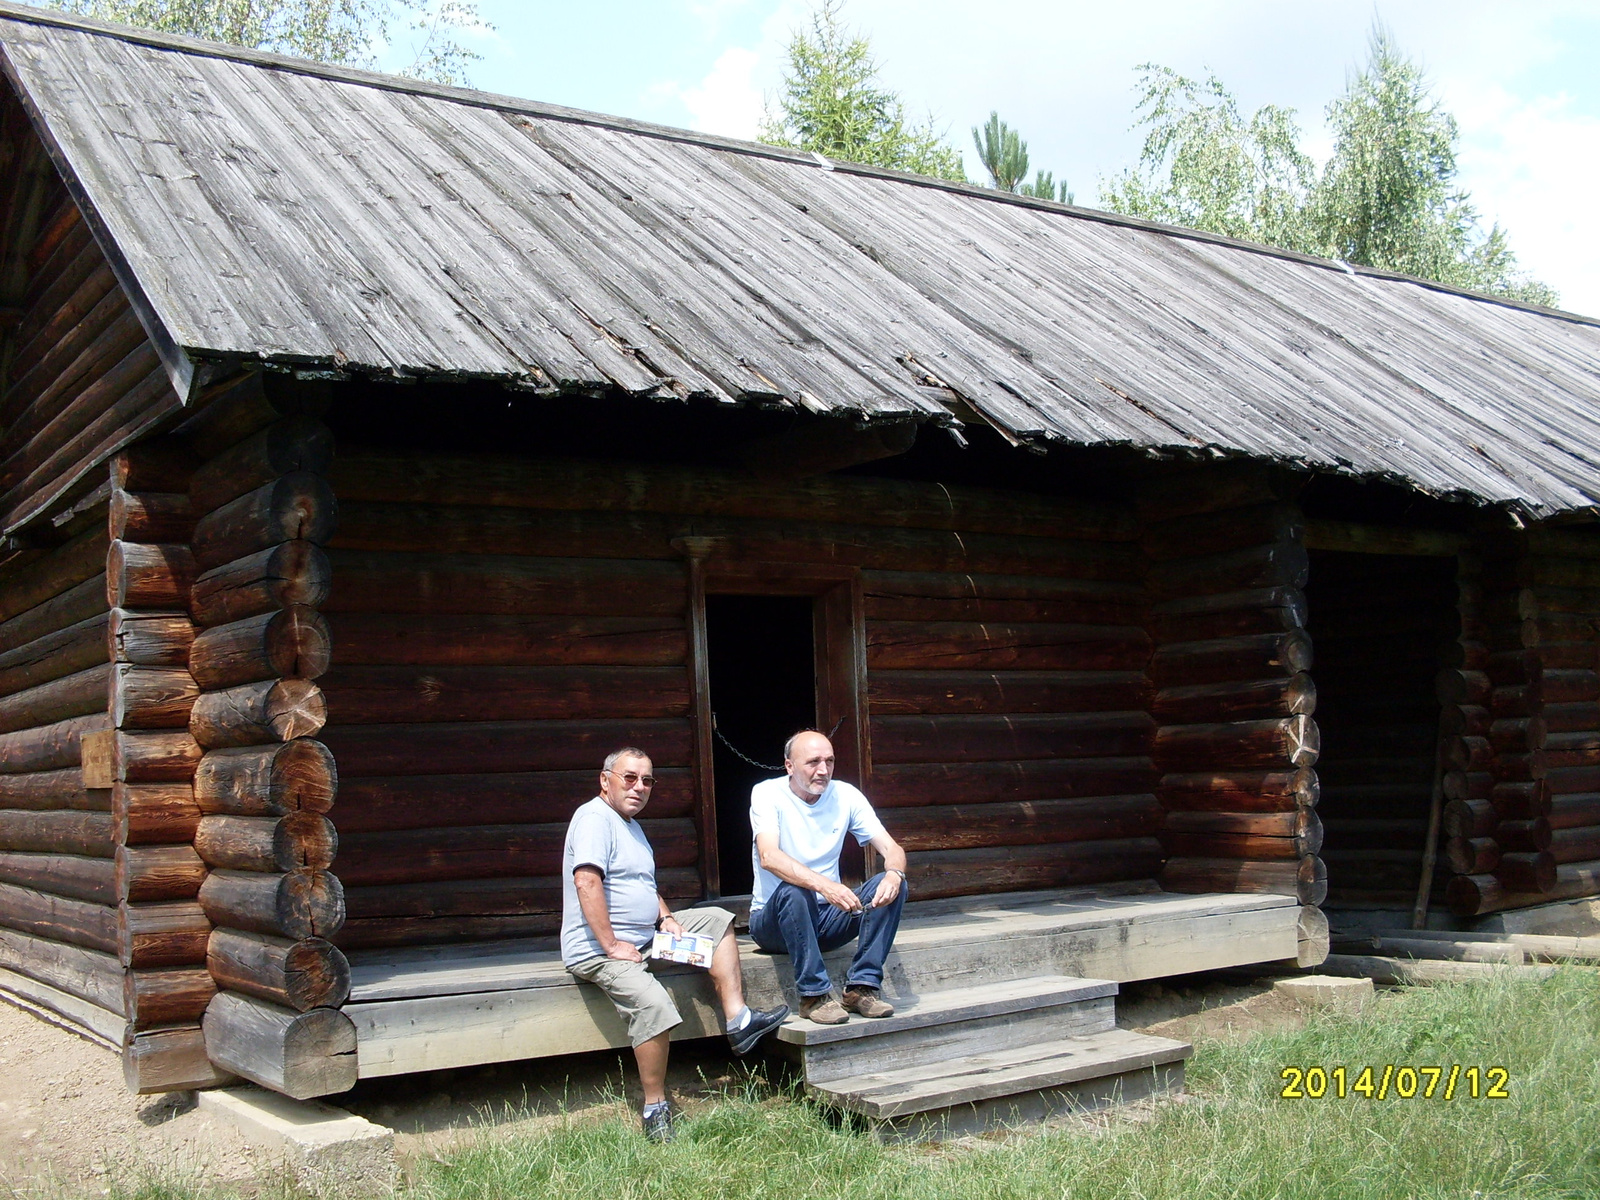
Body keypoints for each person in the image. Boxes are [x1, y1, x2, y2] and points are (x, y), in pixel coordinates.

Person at [562, 747, 787, 1143]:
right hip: (600, 951)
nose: (639, 787)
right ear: (605, 779)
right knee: (655, 1004)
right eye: (629, 777)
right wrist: (612, 944)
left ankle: (738, 1020)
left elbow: (642, 886)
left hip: (645, 940)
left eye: (647, 780)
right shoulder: (593, 819)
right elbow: (587, 882)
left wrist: (665, 916)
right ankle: (654, 1106)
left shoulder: (629, 824)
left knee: (717, 920)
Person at [747, 730, 909, 1025]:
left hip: (827, 919)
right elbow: (769, 856)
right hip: (773, 923)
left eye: (829, 761)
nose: (823, 770)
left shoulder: (845, 795)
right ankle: (813, 996)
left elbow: (892, 848)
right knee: (797, 891)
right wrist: (825, 886)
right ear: (789, 766)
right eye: (813, 762)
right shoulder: (767, 793)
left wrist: (894, 874)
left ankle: (862, 988)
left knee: (894, 884)